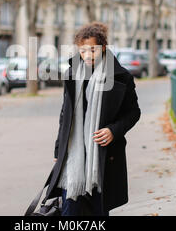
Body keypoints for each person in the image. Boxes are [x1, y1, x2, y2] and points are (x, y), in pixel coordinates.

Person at [44, 22, 141, 216]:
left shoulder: (121, 77)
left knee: (98, 211)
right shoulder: (72, 73)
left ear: (103, 48)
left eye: (92, 50)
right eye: (83, 51)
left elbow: (133, 112)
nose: (87, 55)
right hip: (74, 155)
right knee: (70, 211)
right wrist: (59, 148)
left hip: (102, 155)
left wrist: (114, 130)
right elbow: (65, 114)